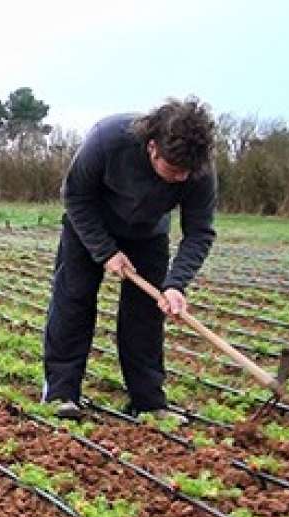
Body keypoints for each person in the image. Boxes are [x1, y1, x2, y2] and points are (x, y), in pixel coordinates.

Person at [43, 98, 217, 421]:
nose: (181, 178)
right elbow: (75, 196)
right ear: (153, 148)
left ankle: (148, 402)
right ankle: (61, 394)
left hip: (147, 235)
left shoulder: (198, 171)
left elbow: (199, 232)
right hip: (89, 225)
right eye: (174, 170)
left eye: (187, 172)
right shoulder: (109, 140)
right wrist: (105, 251)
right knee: (73, 300)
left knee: (145, 316)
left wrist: (175, 284)